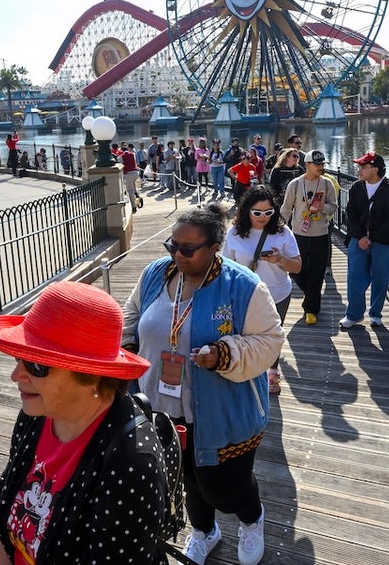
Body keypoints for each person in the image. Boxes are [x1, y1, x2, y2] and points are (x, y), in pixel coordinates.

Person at [121, 204, 284, 565]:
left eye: (187, 249)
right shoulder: (155, 275)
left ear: (214, 246)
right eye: (172, 246)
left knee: (227, 487)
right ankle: (204, 531)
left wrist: (224, 354)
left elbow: (270, 340)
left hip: (224, 413)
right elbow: (131, 313)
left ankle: (251, 519)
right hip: (162, 409)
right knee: (186, 479)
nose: (177, 255)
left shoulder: (244, 286)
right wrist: (128, 342)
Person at [0, 281, 167, 565]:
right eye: (20, 357)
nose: (15, 375)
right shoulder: (35, 416)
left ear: (91, 375)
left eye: (37, 365)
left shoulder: (131, 463)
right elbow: (5, 519)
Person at [222, 185, 301, 395]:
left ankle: (273, 371)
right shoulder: (235, 233)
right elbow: (225, 266)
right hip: (244, 296)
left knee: (273, 336)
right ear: (247, 210)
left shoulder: (283, 232)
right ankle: (248, 372)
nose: (263, 217)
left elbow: (298, 266)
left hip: (277, 293)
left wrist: (281, 259)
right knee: (245, 335)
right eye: (257, 212)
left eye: (268, 212)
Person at [340, 151, 389, 329]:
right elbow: (350, 213)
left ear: (375, 169)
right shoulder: (356, 187)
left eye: (363, 166)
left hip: (383, 242)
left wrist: (372, 238)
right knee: (354, 278)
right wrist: (360, 236)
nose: (359, 169)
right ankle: (353, 314)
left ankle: (375, 314)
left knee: (380, 278)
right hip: (358, 240)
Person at [280, 151, 338, 325]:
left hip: (321, 234)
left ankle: (311, 310)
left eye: (322, 164)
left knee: (318, 272)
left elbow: (333, 207)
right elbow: (286, 208)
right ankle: (310, 292)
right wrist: (278, 228)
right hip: (299, 233)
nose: (321, 167)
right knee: (297, 270)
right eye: (317, 164)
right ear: (307, 164)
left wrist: (323, 207)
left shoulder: (327, 184)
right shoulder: (295, 184)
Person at [120, 142, 141, 213]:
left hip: (128, 174)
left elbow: (121, 166)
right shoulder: (133, 154)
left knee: (130, 191)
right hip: (135, 173)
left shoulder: (121, 156)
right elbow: (134, 163)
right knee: (134, 183)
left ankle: (133, 206)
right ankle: (136, 193)